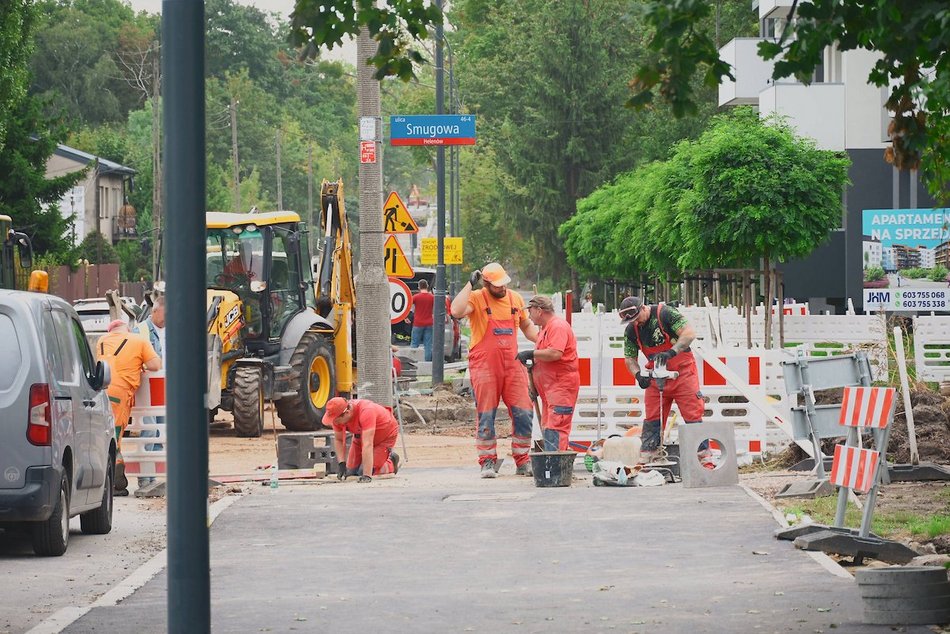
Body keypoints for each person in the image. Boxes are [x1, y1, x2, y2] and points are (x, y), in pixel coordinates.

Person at [450, 262, 538, 478]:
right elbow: (456, 311)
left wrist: (542, 341)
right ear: (486, 283)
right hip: (485, 366)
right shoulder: (477, 297)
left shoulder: (515, 298)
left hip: (512, 365)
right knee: (486, 414)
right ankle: (487, 461)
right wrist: (469, 285)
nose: (502, 288)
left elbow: (526, 326)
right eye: (497, 285)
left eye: (503, 284)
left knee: (524, 412)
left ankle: (523, 460)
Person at [619, 296, 704, 464]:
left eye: (637, 319)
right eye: (632, 321)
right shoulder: (631, 330)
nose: (636, 323)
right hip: (656, 377)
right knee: (652, 419)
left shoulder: (665, 313)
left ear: (643, 308)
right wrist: (638, 374)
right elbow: (629, 358)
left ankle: (702, 457)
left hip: (682, 374)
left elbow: (689, 334)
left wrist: (672, 352)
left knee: (692, 415)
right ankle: (649, 456)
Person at [97, 319, 162, 496]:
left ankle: (114, 480)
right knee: (115, 436)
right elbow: (155, 365)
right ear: (126, 329)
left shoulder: (102, 340)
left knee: (107, 433)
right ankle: (114, 481)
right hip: (120, 392)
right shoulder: (138, 340)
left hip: (101, 390)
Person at [516, 295, 580, 451]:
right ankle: (552, 466)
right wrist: (534, 386)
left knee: (556, 427)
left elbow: (554, 353)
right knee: (550, 427)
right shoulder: (546, 329)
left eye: (530, 312)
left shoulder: (557, 327)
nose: (529, 317)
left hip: (560, 388)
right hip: (551, 389)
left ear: (539, 311)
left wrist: (532, 353)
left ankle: (556, 467)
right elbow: (543, 358)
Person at [323, 397, 399, 482]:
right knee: (350, 473)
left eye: (336, 421)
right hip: (361, 437)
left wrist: (367, 475)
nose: (334, 423)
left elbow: (368, 444)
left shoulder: (366, 411)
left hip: (385, 437)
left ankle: (391, 463)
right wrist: (342, 463)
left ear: (347, 413)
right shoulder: (338, 417)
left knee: (366, 471)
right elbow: (339, 440)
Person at [134, 294, 165, 488]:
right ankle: (144, 477)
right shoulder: (141, 331)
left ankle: (151, 476)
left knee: (160, 432)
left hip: (164, 387)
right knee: (150, 430)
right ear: (154, 310)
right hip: (147, 388)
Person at [410, 278, 435, 361]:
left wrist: (406, 317)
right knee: (428, 344)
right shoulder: (432, 297)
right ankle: (427, 362)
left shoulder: (416, 297)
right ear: (427, 286)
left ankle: (413, 361)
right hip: (429, 323)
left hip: (418, 323)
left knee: (414, 343)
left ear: (419, 287)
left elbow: (407, 306)